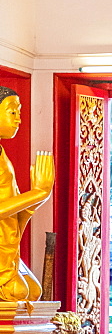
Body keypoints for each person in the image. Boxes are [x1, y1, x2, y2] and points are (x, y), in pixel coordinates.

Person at [0, 88, 55, 301]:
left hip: (7, 249)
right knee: (18, 292)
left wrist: (37, 200)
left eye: (19, 112)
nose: (18, 119)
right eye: (12, 112)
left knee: (33, 291)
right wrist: (37, 193)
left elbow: (14, 218)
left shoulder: (4, 156)